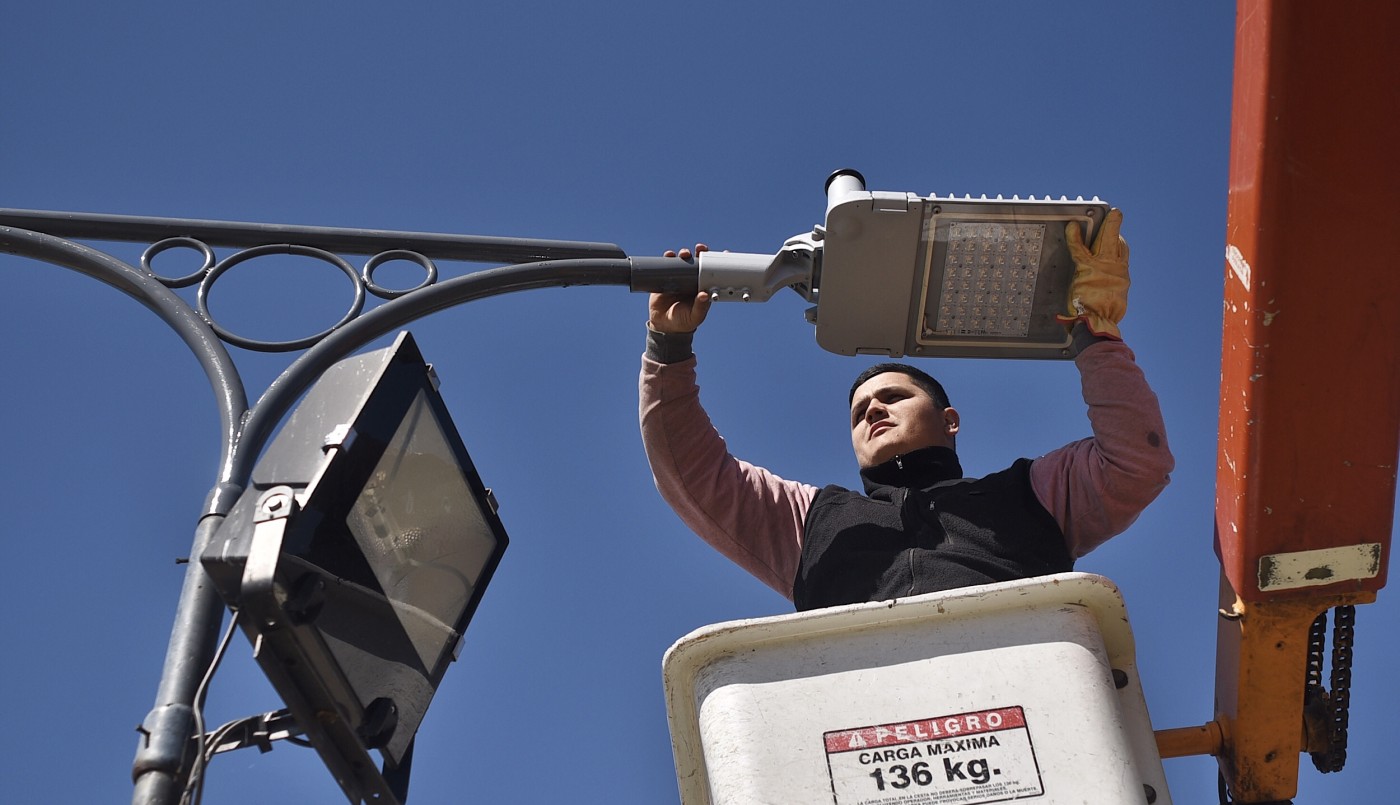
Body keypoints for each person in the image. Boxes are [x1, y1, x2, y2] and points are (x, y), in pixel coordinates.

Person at [639, 210, 1173, 611]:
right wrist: (668, 346)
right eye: (858, 413)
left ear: (950, 420)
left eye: (894, 397)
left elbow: (1135, 462)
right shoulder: (811, 521)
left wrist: (1095, 338)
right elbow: (694, 476)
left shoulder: (1031, 494)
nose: (873, 410)